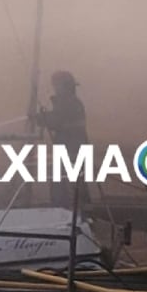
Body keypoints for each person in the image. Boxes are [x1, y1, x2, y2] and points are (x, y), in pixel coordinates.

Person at [34, 70, 90, 208]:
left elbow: (57, 120)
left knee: (64, 182)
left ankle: (65, 210)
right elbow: (58, 118)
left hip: (72, 149)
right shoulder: (72, 103)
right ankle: (77, 209)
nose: (55, 89)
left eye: (57, 85)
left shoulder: (70, 103)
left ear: (64, 86)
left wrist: (41, 118)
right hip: (72, 148)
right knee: (71, 183)